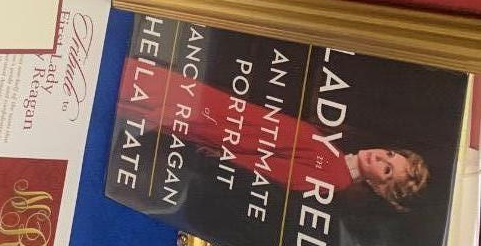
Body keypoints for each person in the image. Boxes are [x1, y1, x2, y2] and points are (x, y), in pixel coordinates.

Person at [118, 66, 429, 210]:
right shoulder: (335, 154)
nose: (380, 157)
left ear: (379, 187)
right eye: (390, 154)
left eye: (387, 169)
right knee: (158, 89)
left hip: (228, 130)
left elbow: (278, 173)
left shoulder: (334, 178)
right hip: (233, 114)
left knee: (155, 99)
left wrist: (229, 154)